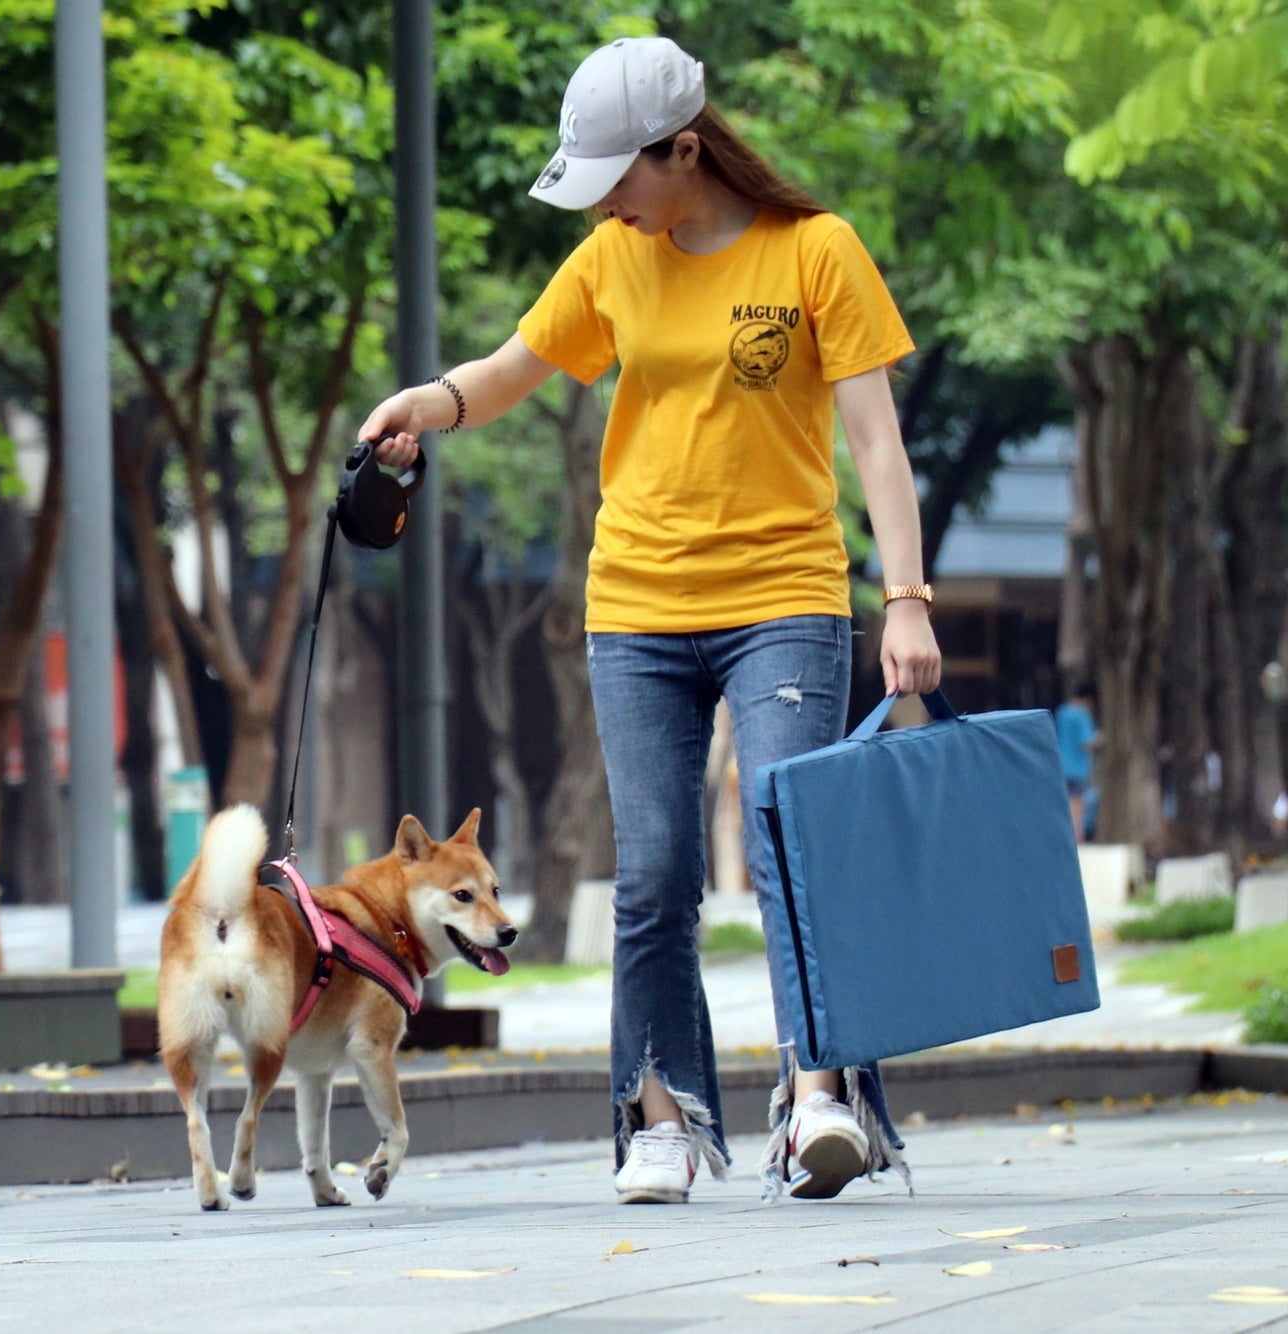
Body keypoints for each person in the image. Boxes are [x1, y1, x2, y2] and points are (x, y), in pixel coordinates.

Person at [356, 36, 940, 1204]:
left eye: (620, 176)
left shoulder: (813, 250)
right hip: (636, 604)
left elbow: (874, 438)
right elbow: (515, 367)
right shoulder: (612, 256)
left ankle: (820, 1098)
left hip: (783, 594)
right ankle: (658, 1115)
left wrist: (905, 598)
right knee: (655, 873)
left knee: (787, 847)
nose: (610, 203)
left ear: (684, 149)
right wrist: (426, 404)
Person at [1054, 682, 1097, 843]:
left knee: (1066, 803)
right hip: (1078, 768)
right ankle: (1077, 838)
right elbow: (1086, 741)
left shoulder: (1062, 712)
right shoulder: (1082, 714)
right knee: (1078, 804)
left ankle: (1068, 836)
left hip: (1061, 765)